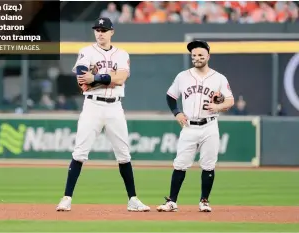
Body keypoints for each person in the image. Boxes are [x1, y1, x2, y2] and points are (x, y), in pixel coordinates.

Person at [56, 17, 150, 212]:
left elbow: (121, 78)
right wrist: (107, 79)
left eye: (104, 30)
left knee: (124, 155)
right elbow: (83, 81)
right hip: (92, 106)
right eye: (97, 29)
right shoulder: (86, 51)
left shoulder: (122, 54)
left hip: (115, 107)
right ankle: (66, 198)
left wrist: (96, 77)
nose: (100, 33)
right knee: (80, 152)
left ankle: (133, 199)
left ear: (111, 32)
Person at [156, 40, 234, 212]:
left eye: (200, 55)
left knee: (208, 164)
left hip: (210, 125)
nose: (197, 58)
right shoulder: (183, 76)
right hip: (189, 126)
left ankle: (204, 201)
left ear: (208, 56)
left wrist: (218, 107)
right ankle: (172, 201)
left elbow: (230, 100)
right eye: (194, 55)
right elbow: (170, 96)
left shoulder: (219, 78)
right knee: (180, 164)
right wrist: (177, 112)